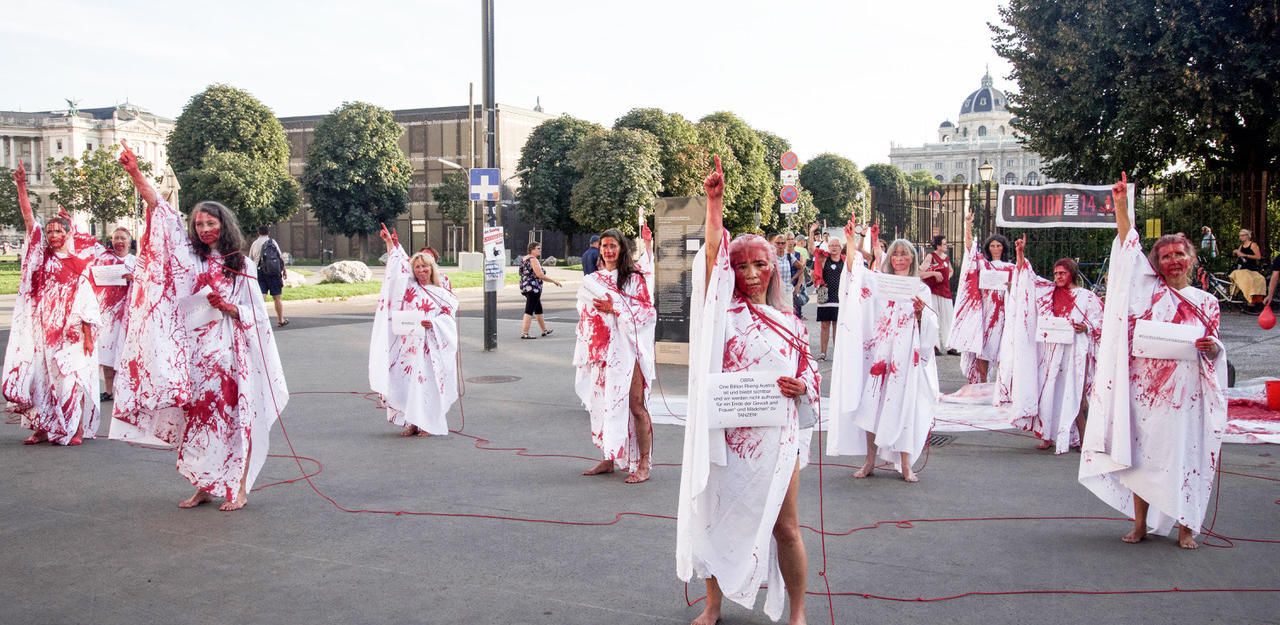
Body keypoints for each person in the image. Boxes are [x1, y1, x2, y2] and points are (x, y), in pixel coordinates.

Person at [677, 156, 818, 625]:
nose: (751, 272)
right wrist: (714, 206)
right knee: (717, 520)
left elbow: (811, 382)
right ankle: (713, 605)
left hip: (778, 439)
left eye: (760, 263)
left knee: (787, 527)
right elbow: (712, 260)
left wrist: (803, 387)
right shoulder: (718, 315)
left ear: (774, 268)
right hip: (728, 438)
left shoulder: (792, 323)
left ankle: (797, 610)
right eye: (742, 266)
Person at [111, 140, 288, 512]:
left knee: (233, 419)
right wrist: (135, 173)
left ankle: (238, 487)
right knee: (197, 421)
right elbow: (159, 209)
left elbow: (256, 313)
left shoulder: (240, 263)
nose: (205, 228)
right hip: (194, 356)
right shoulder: (188, 256)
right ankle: (203, 484)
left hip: (229, 356)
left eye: (211, 222)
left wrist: (229, 307)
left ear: (224, 224)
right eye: (199, 223)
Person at [1080, 173, 1225, 550]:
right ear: (1157, 263)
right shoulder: (1149, 293)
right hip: (1147, 392)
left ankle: (1186, 526)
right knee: (1142, 458)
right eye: (1165, 255)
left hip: (1186, 395)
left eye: (1180, 254)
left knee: (1183, 457)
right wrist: (1122, 206)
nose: (1173, 260)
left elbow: (1214, 350)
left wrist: (1212, 350)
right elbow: (1129, 247)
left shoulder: (1206, 301)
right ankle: (1141, 522)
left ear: (1190, 259)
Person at [1, 162, 101, 446]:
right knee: (40, 379)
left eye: (59, 231)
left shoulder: (79, 264)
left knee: (71, 379)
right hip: (41, 330)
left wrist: (87, 334)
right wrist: (21, 187)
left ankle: (77, 428)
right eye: (51, 232)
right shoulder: (41, 259)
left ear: (68, 234)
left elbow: (87, 302)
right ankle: (42, 426)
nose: (54, 235)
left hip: (70, 331)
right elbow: (29, 220)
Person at [828, 227, 939, 482]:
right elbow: (856, 275)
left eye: (904, 254)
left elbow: (931, 327)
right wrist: (850, 241)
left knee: (904, 405)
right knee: (873, 404)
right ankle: (869, 461)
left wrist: (921, 314)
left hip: (905, 357)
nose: (899, 258)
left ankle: (906, 464)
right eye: (895, 254)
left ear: (912, 258)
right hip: (879, 353)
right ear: (890, 259)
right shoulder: (879, 282)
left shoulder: (921, 289)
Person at [997, 235, 1102, 453]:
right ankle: (1048, 436)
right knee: (1050, 394)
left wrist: (1087, 328)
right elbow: (1027, 277)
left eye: (1062, 273)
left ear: (1072, 274)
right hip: (1052, 352)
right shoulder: (1048, 291)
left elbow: (1100, 323)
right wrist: (1020, 254)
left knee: (1077, 398)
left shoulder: (1086, 297)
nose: (1058, 277)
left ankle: (1084, 440)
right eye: (1055, 273)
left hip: (1076, 353)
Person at [573, 227, 656, 483]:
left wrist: (615, 308)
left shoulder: (634, 278)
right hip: (602, 352)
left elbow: (647, 313)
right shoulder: (593, 280)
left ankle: (643, 463)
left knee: (635, 406)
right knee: (603, 405)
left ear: (621, 249)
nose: (608, 251)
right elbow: (585, 312)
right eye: (605, 246)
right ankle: (609, 457)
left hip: (629, 351)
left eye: (613, 246)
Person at [370, 224, 459, 437]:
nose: (421, 270)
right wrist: (389, 243)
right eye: (417, 267)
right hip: (409, 347)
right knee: (409, 384)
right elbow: (397, 267)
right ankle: (411, 422)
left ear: (432, 267)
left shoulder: (441, 292)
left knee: (427, 385)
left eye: (425, 266)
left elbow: (448, 317)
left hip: (431, 348)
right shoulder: (409, 287)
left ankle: (427, 423)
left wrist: (434, 325)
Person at [949, 212, 1014, 382]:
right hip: (984, 311)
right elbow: (969, 248)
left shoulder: (1011, 267)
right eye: (992, 245)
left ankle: (1002, 385)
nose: (995, 248)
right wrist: (968, 225)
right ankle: (982, 383)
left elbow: (1021, 288)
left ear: (1004, 248)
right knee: (983, 348)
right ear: (988, 248)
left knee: (1003, 347)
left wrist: (1010, 287)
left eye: (998, 245)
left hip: (1003, 312)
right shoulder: (983, 264)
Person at [93, 227, 136, 401]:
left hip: (130, 314)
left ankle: (127, 391)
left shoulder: (137, 261)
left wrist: (134, 278)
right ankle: (109, 390)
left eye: (122, 238)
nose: (119, 241)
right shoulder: (104, 260)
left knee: (127, 353)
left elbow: (148, 282)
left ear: (129, 241)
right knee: (108, 354)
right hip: (108, 314)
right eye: (115, 238)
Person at [807, 223, 846, 361]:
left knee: (837, 325)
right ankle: (823, 353)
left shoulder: (845, 261)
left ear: (841, 247)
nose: (834, 248)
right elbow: (812, 249)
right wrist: (811, 232)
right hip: (824, 293)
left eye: (836, 245)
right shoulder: (824, 258)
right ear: (828, 247)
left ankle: (837, 352)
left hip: (840, 296)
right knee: (825, 325)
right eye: (831, 245)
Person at [919, 234, 957, 354]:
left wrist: (946, 278)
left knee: (948, 319)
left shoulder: (946, 258)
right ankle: (934, 346)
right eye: (944, 244)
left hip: (945, 291)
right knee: (934, 319)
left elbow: (950, 270)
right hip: (934, 291)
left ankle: (950, 346)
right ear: (938, 245)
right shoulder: (931, 256)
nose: (946, 246)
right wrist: (934, 274)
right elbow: (920, 272)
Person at [519, 241, 562, 339]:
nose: (540, 250)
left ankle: (544, 330)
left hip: (525, 286)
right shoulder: (533, 259)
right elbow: (540, 275)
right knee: (529, 309)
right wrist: (553, 281)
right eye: (538, 248)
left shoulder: (524, 259)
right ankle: (525, 333)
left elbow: (522, 273)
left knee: (538, 309)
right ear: (532, 249)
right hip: (533, 288)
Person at [249, 225, 289, 327]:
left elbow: (250, 259)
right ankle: (280, 319)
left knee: (261, 296)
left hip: (260, 272)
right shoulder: (273, 242)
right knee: (277, 298)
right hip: (273, 273)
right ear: (268, 232)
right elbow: (279, 257)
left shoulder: (255, 244)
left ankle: (259, 320)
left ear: (258, 232)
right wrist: (284, 270)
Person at [1229, 228, 1265, 311]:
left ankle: (1253, 301)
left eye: (1242, 235)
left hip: (1251, 268)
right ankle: (1236, 297)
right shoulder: (1241, 246)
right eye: (1239, 236)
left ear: (1247, 236)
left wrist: (1245, 255)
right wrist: (1236, 252)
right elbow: (1239, 255)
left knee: (1256, 280)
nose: (1240, 237)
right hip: (1242, 268)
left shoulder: (1253, 245)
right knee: (1241, 279)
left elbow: (1258, 257)